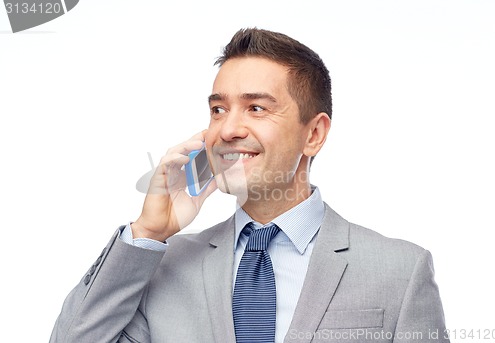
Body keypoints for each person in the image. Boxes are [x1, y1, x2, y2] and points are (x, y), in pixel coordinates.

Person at [50, 28, 449, 343]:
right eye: (218, 109)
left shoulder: (400, 270)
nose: (227, 129)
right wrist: (148, 233)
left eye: (256, 108)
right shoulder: (159, 267)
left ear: (314, 134)